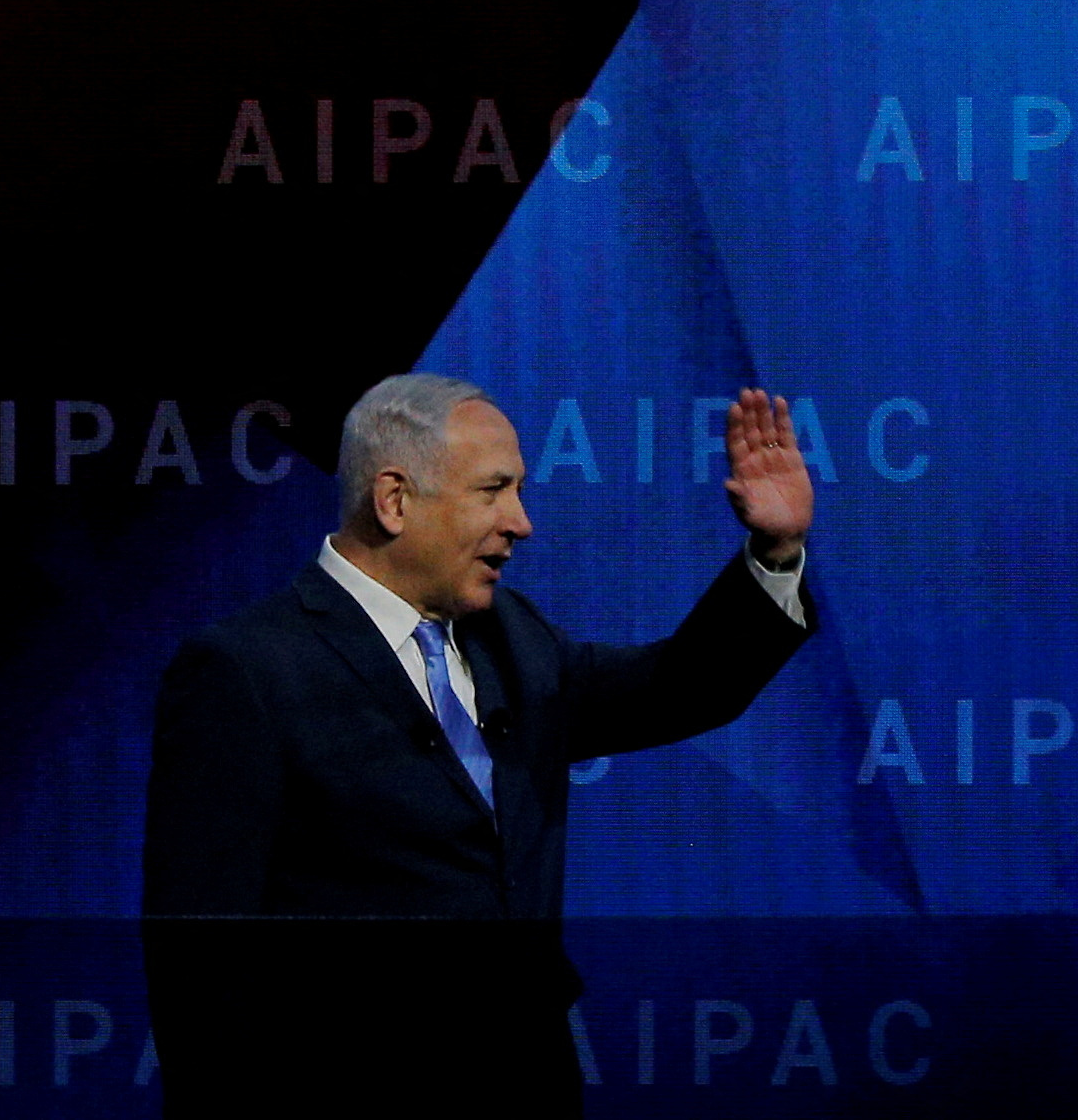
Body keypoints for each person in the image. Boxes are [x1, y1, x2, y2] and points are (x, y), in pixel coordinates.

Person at [141, 373, 815, 1112]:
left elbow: (679, 689)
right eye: (492, 491)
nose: (519, 522)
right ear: (394, 500)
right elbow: (198, 959)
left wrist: (773, 553)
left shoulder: (512, 638)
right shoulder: (249, 668)